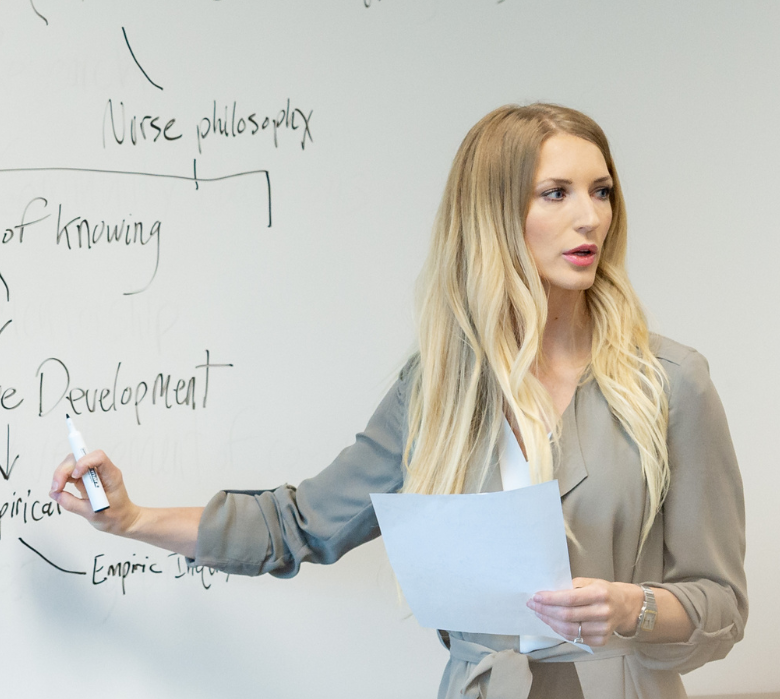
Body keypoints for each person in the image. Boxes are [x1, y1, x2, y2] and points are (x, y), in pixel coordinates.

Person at [50, 103, 747, 699]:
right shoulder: (439, 389)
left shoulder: (671, 382)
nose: (590, 217)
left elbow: (722, 603)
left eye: (602, 192)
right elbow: (300, 524)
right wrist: (131, 519)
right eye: (556, 193)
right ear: (496, 215)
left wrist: (635, 608)